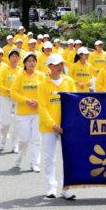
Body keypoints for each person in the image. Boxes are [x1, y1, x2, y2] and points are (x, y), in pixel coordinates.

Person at [38, 54, 76, 200]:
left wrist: (70, 123)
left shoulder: (69, 81)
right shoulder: (43, 85)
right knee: (49, 157)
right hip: (49, 127)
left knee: (68, 157)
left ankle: (66, 188)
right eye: (55, 64)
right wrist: (52, 124)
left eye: (61, 64)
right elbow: (42, 107)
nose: (59, 67)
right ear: (49, 67)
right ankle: (51, 186)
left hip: (66, 126)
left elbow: (74, 103)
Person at [10, 52, 43, 171]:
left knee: (37, 139)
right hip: (23, 113)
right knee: (24, 139)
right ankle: (20, 156)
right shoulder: (20, 76)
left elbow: (46, 91)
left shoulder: (41, 76)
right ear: (24, 63)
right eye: (29, 61)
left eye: (34, 61)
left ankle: (35, 163)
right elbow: (13, 92)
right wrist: (26, 100)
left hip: (38, 112)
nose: (32, 63)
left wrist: (38, 102)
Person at [0, 49, 23, 153]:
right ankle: (3, 138)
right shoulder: (4, 69)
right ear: (9, 58)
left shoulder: (21, 70)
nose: (15, 58)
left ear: (19, 59)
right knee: (6, 123)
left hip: (17, 98)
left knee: (17, 122)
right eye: (13, 56)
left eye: (17, 56)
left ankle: (14, 144)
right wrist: (7, 90)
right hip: (6, 97)